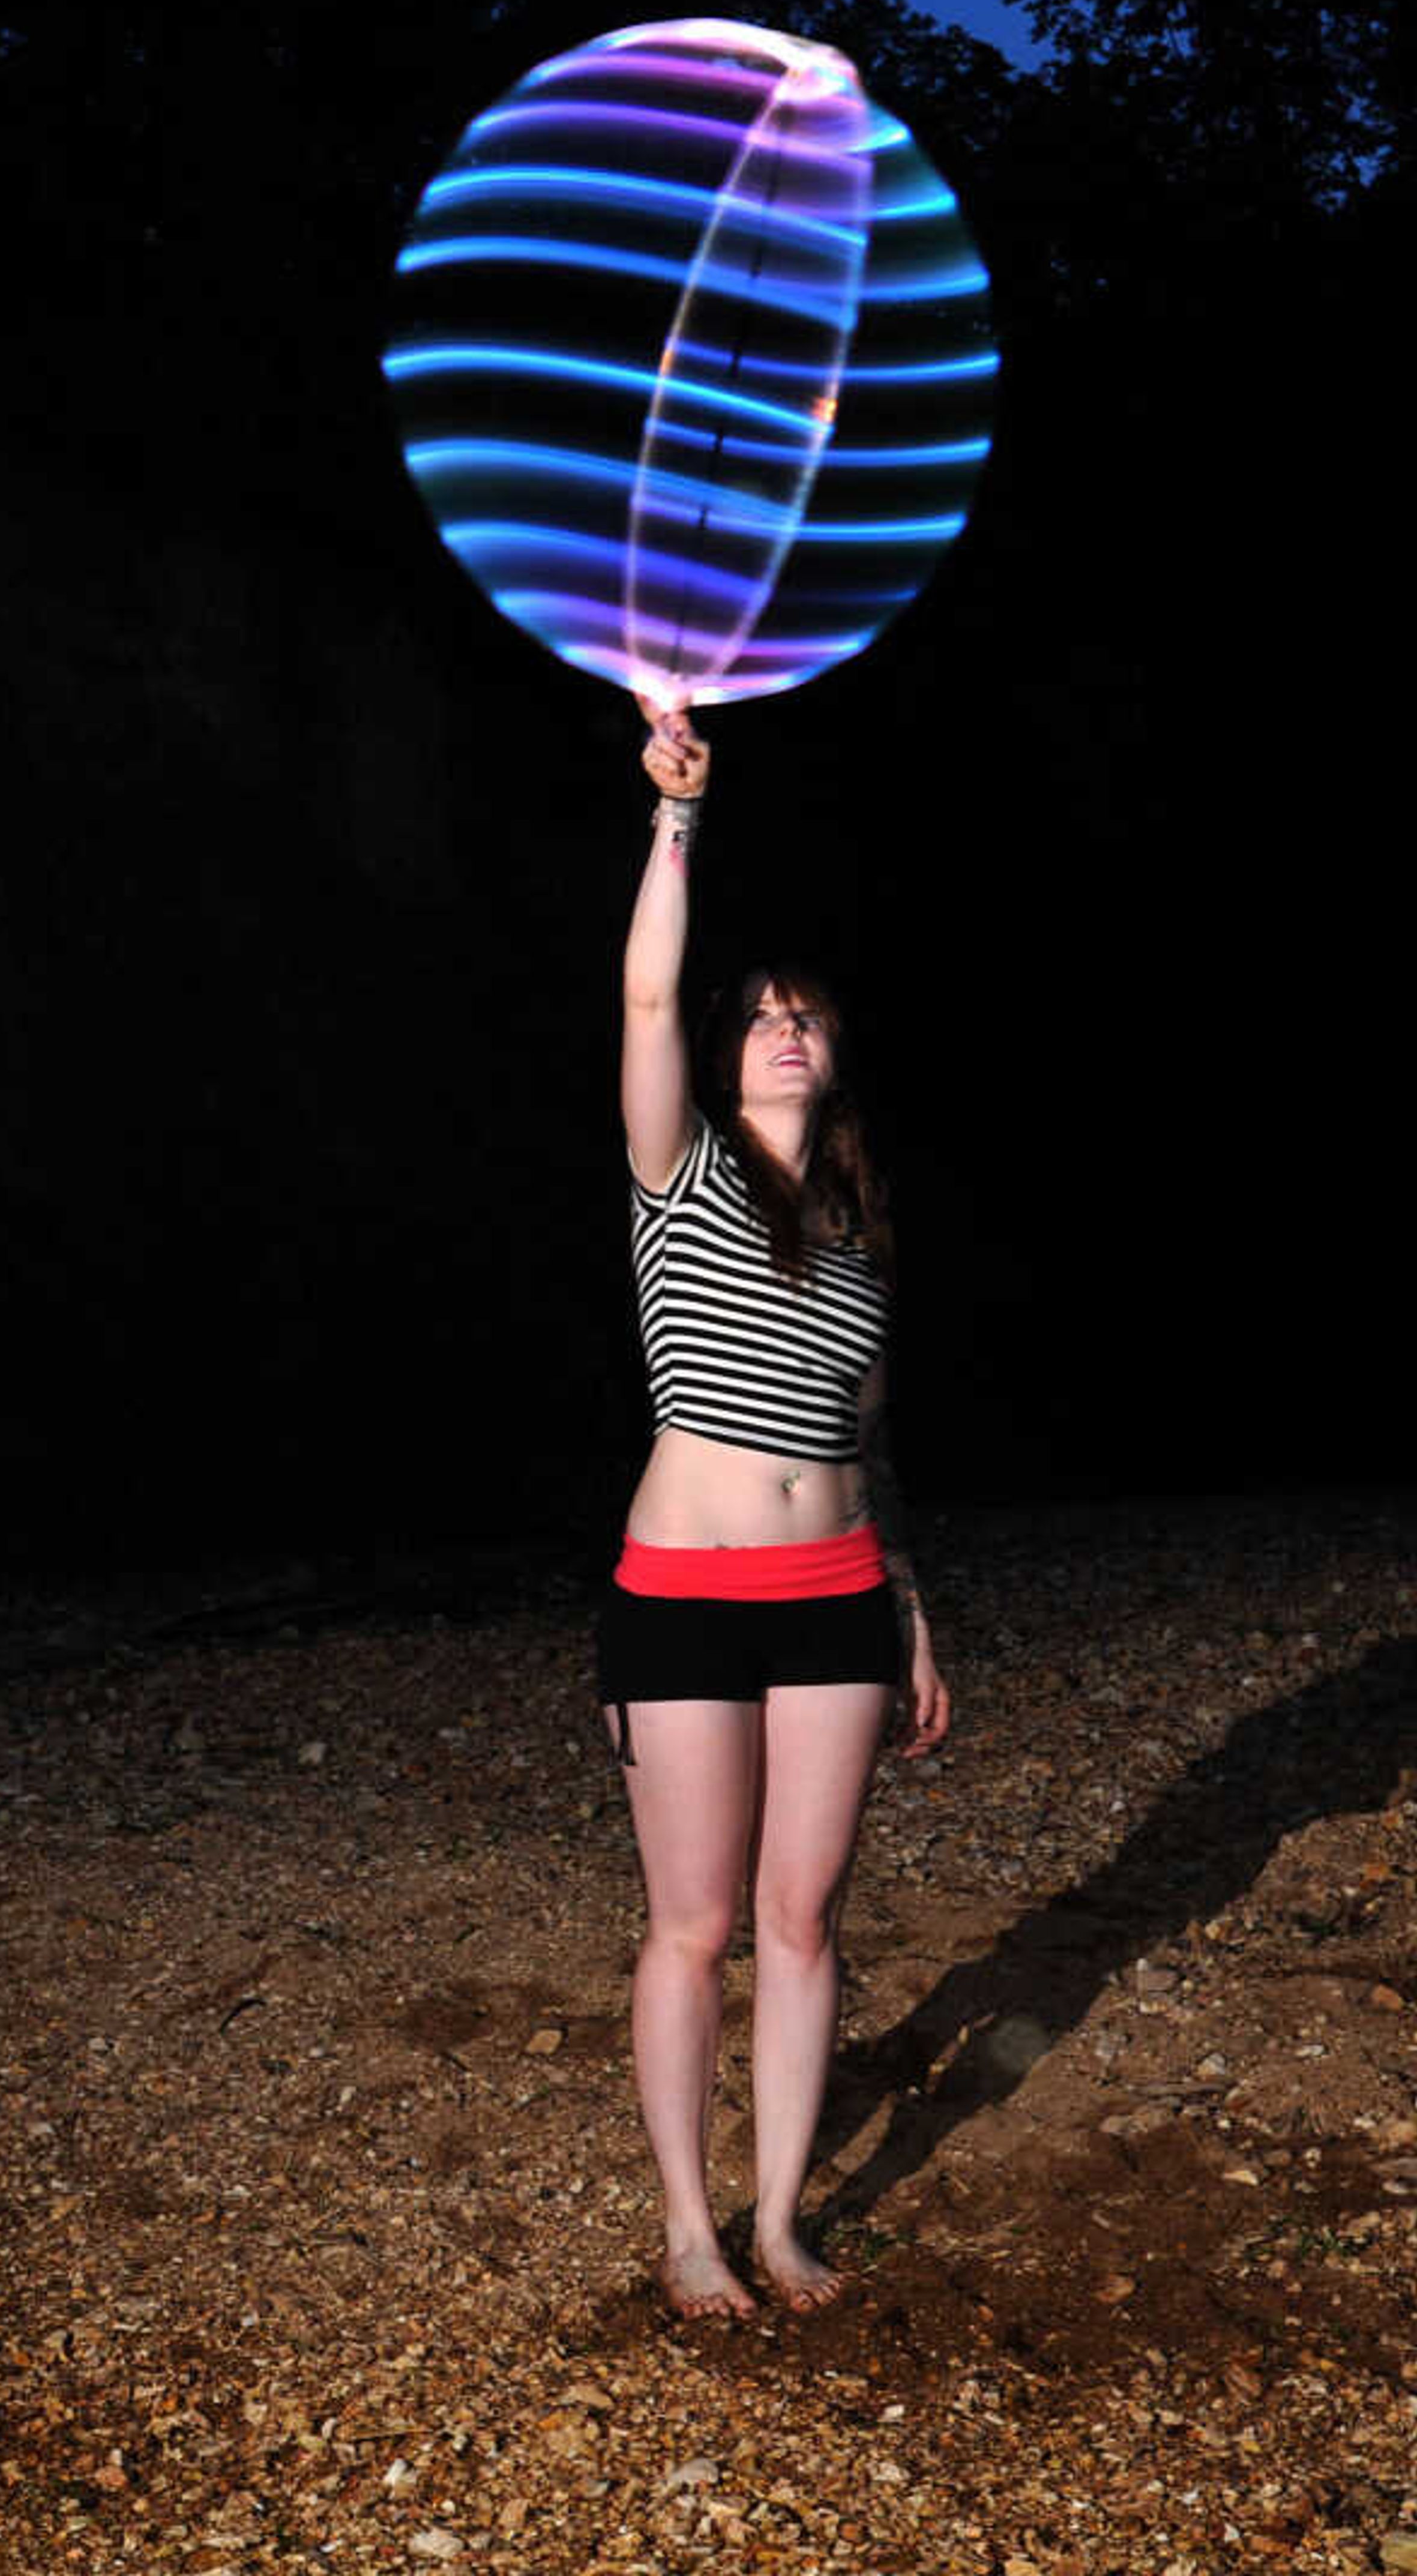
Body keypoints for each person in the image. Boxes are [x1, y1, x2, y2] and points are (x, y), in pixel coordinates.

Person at [602, 694, 949, 2320]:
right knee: (693, 1924)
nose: (787, 1030)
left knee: (802, 1917)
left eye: (809, 1016)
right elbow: (653, 984)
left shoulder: (864, 1232)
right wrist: (678, 815)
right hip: (681, 1585)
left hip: (835, 1589)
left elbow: (870, 1440)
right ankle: (687, 2226)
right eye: (766, 1016)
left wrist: (914, 1601)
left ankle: (784, 2214)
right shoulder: (679, 1170)